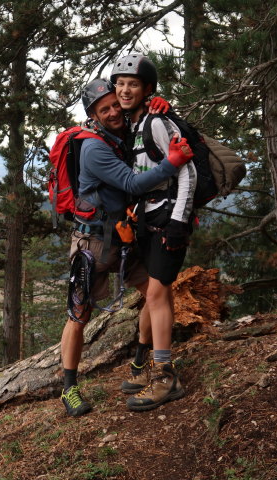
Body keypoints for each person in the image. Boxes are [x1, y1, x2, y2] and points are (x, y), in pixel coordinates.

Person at [59, 78, 194, 417]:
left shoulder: (119, 135)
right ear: (93, 114)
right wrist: (171, 164)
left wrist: (157, 103)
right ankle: (69, 389)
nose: (114, 111)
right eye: (105, 109)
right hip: (90, 244)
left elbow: (143, 125)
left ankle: (139, 364)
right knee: (79, 314)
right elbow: (133, 182)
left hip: (120, 237)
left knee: (154, 292)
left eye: (115, 104)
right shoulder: (94, 148)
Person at [111, 53, 197, 412]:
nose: (125, 89)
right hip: (149, 220)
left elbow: (187, 172)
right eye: (120, 84)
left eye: (133, 84)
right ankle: (150, 364)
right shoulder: (133, 123)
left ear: (147, 89)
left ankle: (165, 377)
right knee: (153, 295)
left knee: (158, 293)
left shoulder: (157, 122)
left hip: (168, 221)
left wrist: (179, 222)